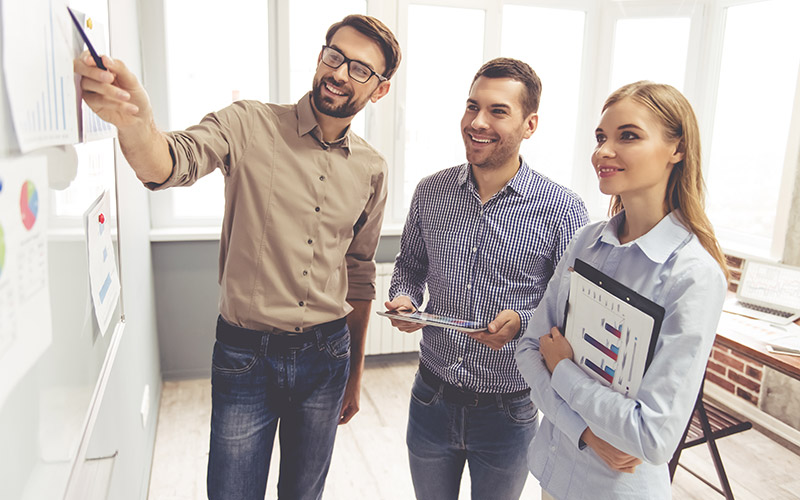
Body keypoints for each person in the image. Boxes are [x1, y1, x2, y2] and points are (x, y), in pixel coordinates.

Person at [74, 14, 401, 500]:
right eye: (335, 56)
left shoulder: (372, 168)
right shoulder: (249, 123)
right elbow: (169, 163)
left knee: (304, 492)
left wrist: (354, 374)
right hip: (246, 354)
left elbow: (358, 272)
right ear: (320, 57)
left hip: (327, 357)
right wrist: (136, 124)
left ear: (379, 90)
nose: (339, 73)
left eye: (359, 69)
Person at [385, 58, 589, 500]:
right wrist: (403, 299)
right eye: (472, 106)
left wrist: (524, 321)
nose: (477, 122)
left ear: (529, 124)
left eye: (498, 111)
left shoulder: (563, 209)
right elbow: (410, 267)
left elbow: (574, 309)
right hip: (430, 399)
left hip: (509, 410)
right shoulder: (430, 192)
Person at [515, 81, 729, 500]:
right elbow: (527, 350)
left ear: (678, 149)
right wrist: (588, 433)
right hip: (553, 474)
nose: (603, 151)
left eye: (627, 136)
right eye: (601, 137)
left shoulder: (693, 277)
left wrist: (562, 368)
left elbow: (651, 437)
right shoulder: (585, 243)